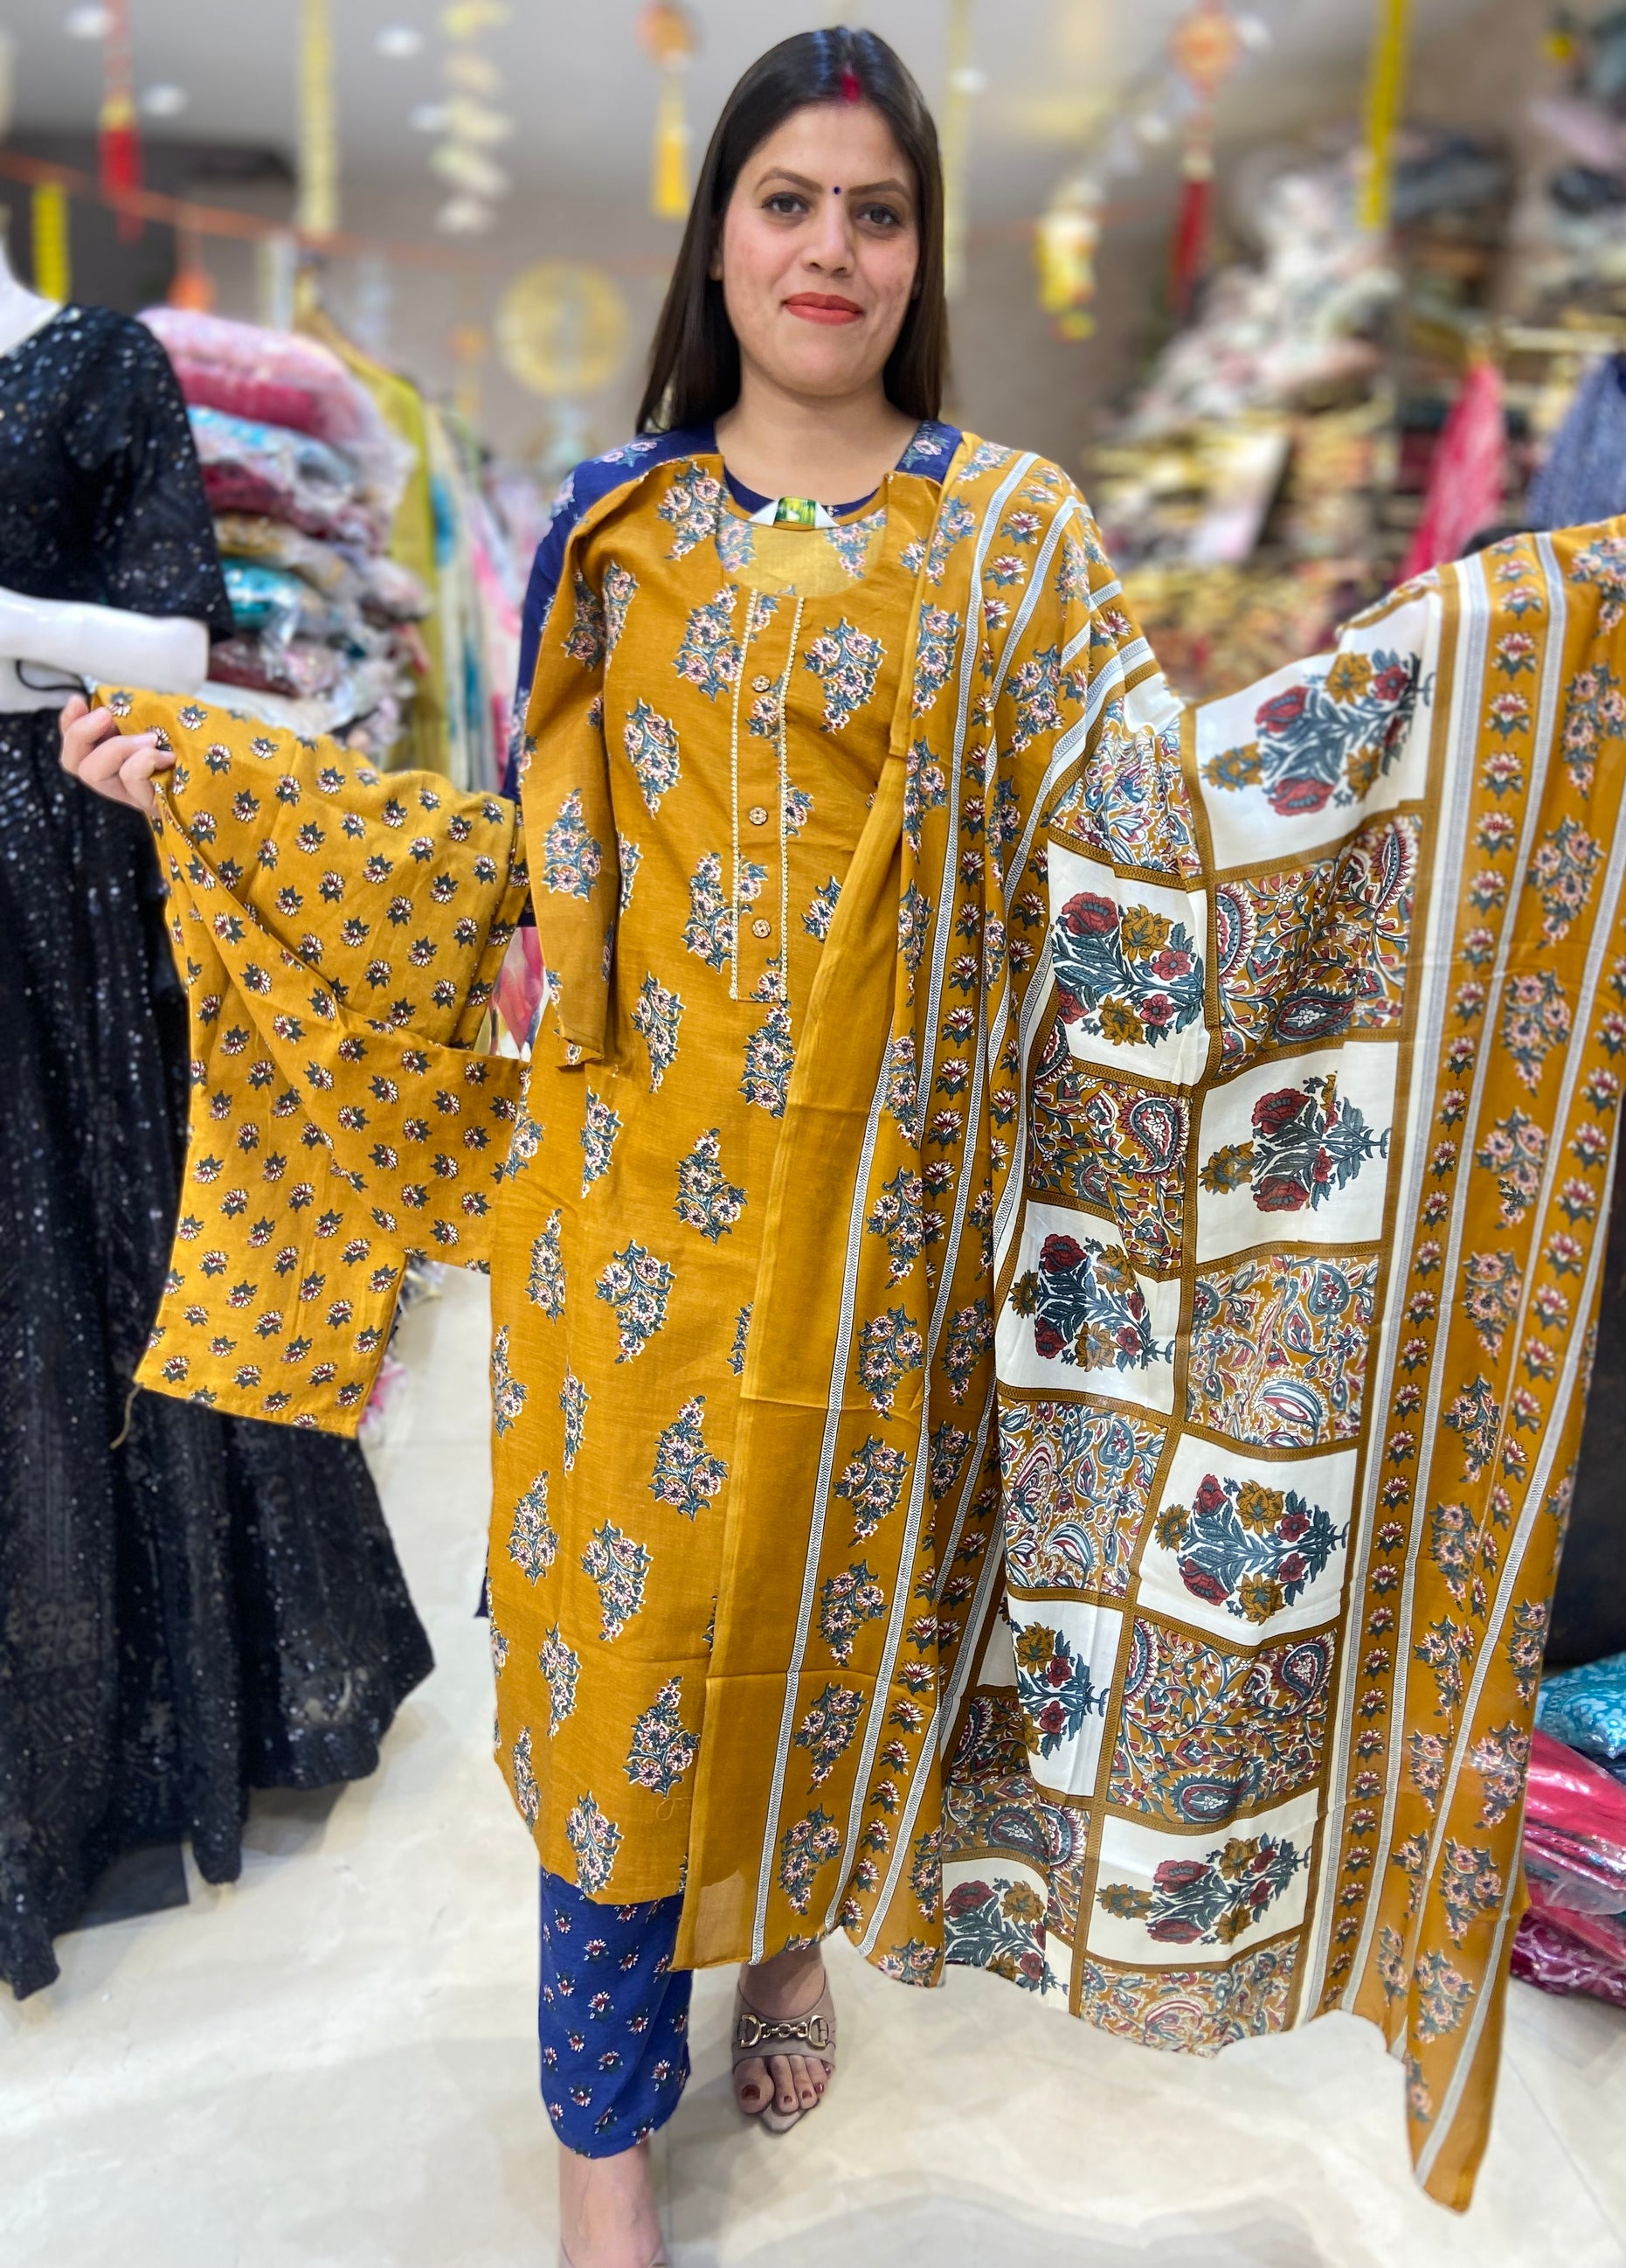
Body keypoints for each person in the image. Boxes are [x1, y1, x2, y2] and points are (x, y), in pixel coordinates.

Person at [61, 29, 1046, 2266]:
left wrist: (1501, 672)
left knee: (813, 1620)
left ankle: (781, 1940)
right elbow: (516, 856)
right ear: (720, 235)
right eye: (788, 199)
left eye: (876, 210)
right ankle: (607, 2147)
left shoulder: (1013, 541)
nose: (830, 247)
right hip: (625, 1226)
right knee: (622, 1673)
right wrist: (226, 780)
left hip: (884, 1234)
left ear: (921, 253)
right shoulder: (612, 528)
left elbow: (1136, 850)